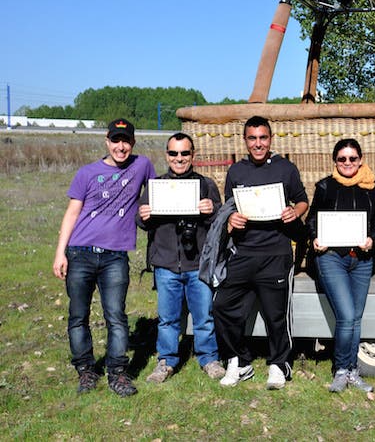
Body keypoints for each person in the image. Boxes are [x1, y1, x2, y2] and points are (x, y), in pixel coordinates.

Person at [52, 118, 156, 397]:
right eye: (115, 140)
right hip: (80, 252)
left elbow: (160, 193)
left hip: (114, 258)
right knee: (78, 316)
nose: (120, 147)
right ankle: (86, 370)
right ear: (106, 142)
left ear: (132, 143)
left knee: (117, 317)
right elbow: (72, 213)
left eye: (125, 141)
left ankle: (118, 373)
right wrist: (60, 253)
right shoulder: (86, 173)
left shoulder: (143, 165)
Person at [214, 115, 309, 390]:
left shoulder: (285, 169)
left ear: (270, 139)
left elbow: (302, 200)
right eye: (252, 138)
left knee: (275, 315)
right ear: (245, 141)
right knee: (222, 306)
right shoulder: (236, 172)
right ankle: (239, 361)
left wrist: (295, 211)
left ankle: (279, 365)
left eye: (263, 138)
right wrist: (232, 219)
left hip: (276, 254)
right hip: (242, 253)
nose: (258, 144)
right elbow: (229, 209)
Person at [137, 132, 226, 383]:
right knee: (167, 319)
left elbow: (220, 221)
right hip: (165, 264)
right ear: (167, 155)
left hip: (197, 264)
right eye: (174, 153)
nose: (179, 158)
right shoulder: (155, 185)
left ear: (193, 155)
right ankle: (166, 361)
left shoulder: (206, 185)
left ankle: (209, 358)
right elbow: (140, 221)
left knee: (204, 316)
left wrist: (211, 210)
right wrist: (143, 214)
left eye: (184, 153)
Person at [306, 139, 375, 393]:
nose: (347, 163)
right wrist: (316, 237)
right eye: (342, 159)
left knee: (355, 318)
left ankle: (352, 371)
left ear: (361, 159)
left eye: (352, 158)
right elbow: (312, 220)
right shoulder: (325, 186)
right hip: (332, 258)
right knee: (347, 315)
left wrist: (372, 238)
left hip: (361, 260)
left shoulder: (373, 188)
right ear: (335, 161)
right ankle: (341, 369)